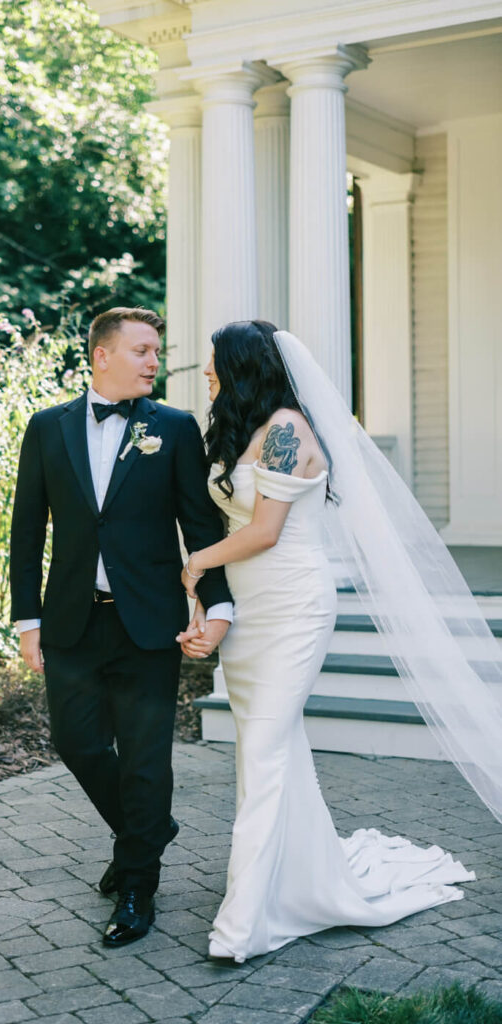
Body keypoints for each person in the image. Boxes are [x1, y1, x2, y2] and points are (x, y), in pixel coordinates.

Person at [176, 319, 502, 964]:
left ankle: (243, 922)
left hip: (294, 604)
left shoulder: (288, 431)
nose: (206, 373)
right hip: (251, 609)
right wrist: (208, 607)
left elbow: (265, 530)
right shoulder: (244, 432)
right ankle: (299, 881)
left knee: (264, 750)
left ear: (245, 367)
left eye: (214, 364)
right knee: (271, 747)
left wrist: (194, 564)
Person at [10, 306, 232, 948]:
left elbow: (200, 527)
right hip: (71, 622)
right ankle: (149, 831)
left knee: (143, 761)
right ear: (101, 355)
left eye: (156, 351)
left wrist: (217, 608)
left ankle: (139, 885)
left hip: (149, 624)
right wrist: (28, 620)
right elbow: (27, 533)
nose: (153, 362)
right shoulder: (47, 429)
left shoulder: (175, 429)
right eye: (141, 351)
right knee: (76, 745)